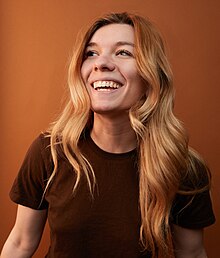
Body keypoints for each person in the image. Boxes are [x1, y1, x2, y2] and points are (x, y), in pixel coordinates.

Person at [0, 12, 215, 258]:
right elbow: (20, 243)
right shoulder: (49, 152)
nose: (101, 63)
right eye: (91, 53)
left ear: (151, 77)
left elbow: (192, 253)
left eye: (123, 52)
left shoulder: (182, 167)